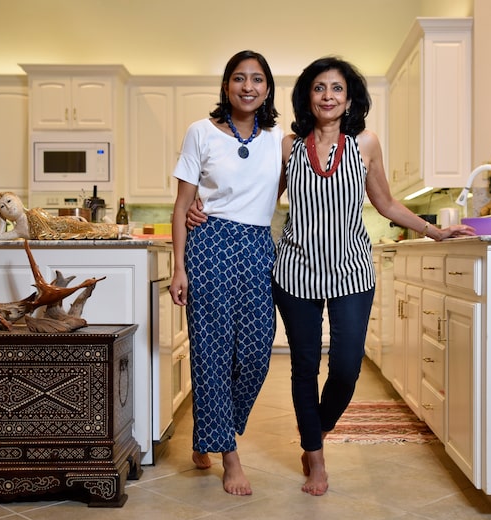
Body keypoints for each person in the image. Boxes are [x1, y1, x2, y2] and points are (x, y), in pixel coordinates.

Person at [189, 57, 475, 496]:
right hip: (295, 273)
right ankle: (315, 459)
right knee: (303, 367)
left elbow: (387, 203)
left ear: (349, 97)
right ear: (308, 96)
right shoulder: (288, 146)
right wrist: (201, 207)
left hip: (351, 272)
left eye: (336, 88)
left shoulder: (366, 144)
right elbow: (253, 191)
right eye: (319, 88)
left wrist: (436, 231)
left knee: (345, 367)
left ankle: (315, 433)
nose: (327, 96)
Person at [170, 50, 283, 496]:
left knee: (256, 352)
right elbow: (181, 207)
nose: (248, 87)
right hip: (209, 244)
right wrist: (178, 267)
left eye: (257, 79)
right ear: (226, 85)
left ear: (268, 89)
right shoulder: (200, 132)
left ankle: (209, 431)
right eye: (239, 78)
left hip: (258, 247)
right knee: (212, 353)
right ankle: (228, 454)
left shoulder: (280, 140)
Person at [0, 191, 119, 240]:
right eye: (2, 207)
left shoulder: (34, 212)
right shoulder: (18, 230)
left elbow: (52, 220)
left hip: (64, 226)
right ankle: (115, 228)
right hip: (62, 235)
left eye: (9, 201)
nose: (8, 207)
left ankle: (115, 228)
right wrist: (2, 222)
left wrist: (70, 218)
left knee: (92, 228)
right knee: (90, 232)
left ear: (18, 200)